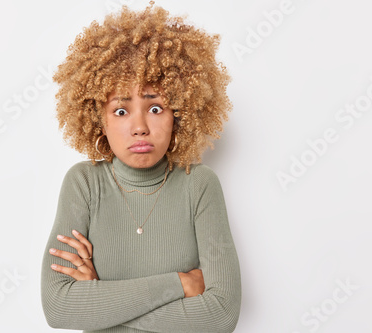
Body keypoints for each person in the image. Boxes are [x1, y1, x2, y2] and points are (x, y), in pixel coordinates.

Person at [40, 2, 241, 332]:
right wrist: (181, 283)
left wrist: (99, 302)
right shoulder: (84, 184)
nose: (140, 127)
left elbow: (221, 315)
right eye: (121, 111)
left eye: (156, 108)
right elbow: (59, 308)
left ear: (179, 113)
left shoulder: (199, 184)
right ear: (98, 119)